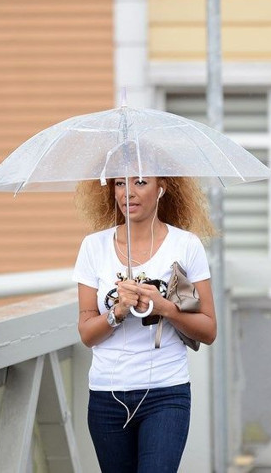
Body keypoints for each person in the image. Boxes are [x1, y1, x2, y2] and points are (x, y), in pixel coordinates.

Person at [73, 176, 217, 472]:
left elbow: (209, 329)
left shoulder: (186, 245)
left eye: (140, 182)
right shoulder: (93, 247)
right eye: (119, 184)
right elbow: (87, 333)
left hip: (166, 392)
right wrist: (118, 311)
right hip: (107, 396)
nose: (128, 193)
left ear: (162, 188)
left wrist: (165, 308)